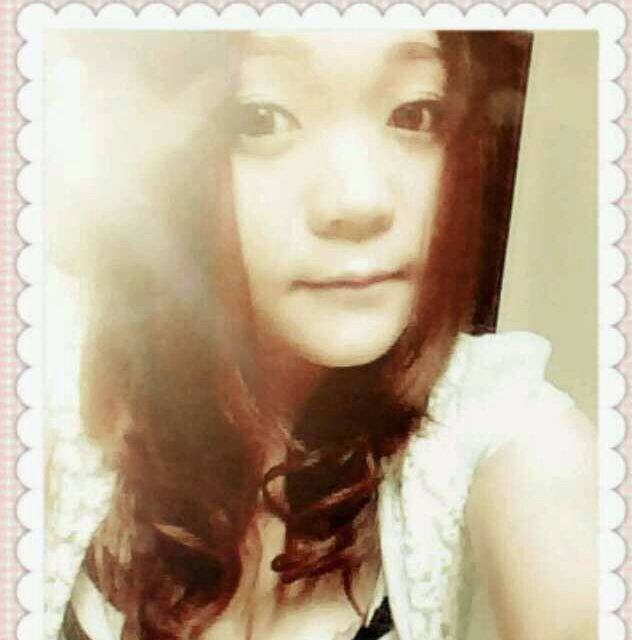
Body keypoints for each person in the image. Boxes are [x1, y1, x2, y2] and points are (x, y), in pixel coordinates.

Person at [45, 30, 597, 640]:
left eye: (414, 114)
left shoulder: (501, 430)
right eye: (261, 118)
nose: (361, 200)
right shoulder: (54, 373)